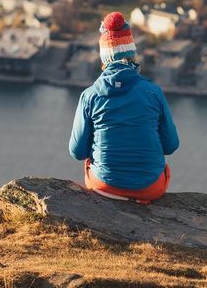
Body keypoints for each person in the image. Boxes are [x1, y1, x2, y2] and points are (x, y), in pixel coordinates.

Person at [68, 11, 180, 203]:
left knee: (89, 162)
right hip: (150, 188)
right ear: (132, 53)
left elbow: (77, 152)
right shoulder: (154, 92)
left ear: (104, 58)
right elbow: (171, 145)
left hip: (104, 187)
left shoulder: (89, 96)